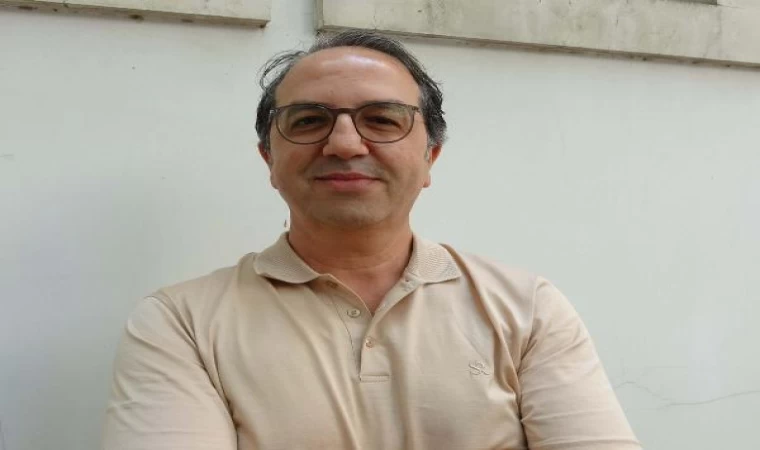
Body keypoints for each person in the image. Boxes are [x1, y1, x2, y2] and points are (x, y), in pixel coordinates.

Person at [102, 30, 641, 450]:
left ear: (430, 158)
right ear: (269, 160)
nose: (343, 143)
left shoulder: (527, 310)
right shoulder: (181, 323)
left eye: (381, 119)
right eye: (308, 120)